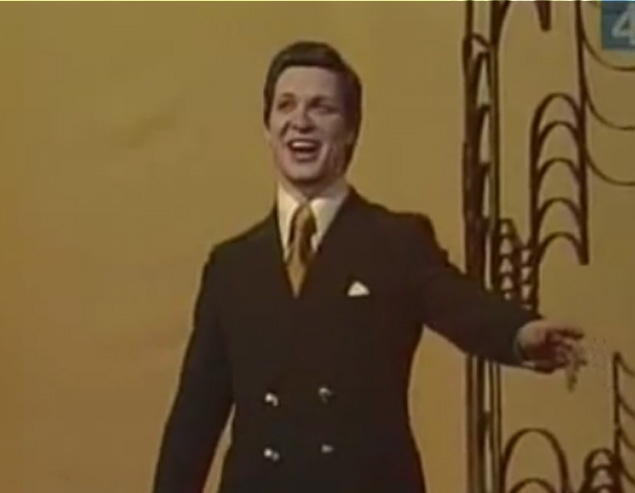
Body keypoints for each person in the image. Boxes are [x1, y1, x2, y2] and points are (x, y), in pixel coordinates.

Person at [152, 40, 586, 493]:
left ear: (351, 130)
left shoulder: (395, 242)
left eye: (321, 108)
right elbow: (194, 418)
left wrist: (519, 333)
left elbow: (458, 303)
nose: (301, 121)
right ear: (268, 127)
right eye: (286, 106)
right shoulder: (231, 266)